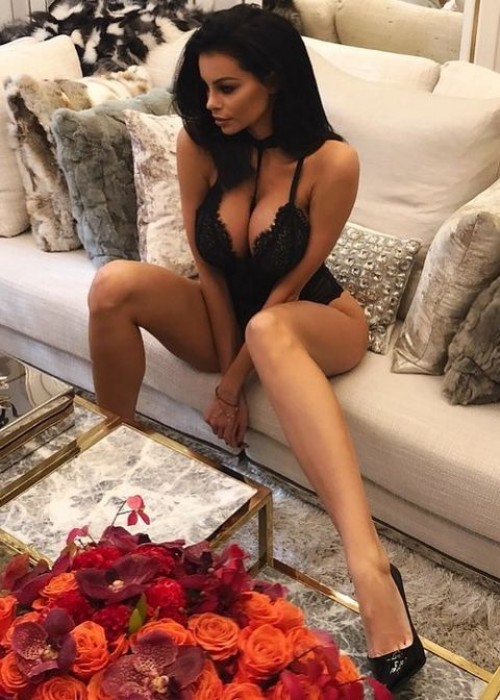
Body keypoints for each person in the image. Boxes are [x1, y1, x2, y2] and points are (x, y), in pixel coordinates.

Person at [87, 4, 426, 690]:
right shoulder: (201, 143)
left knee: (269, 329)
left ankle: (370, 570)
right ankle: (111, 473)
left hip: (313, 315)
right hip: (228, 314)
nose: (210, 104)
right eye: (204, 88)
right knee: (113, 283)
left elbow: (290, 285)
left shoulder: (332, 161)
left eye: (227, 88)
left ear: (273, 79)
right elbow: (209, 269)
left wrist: (230, 384)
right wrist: (225, 364)